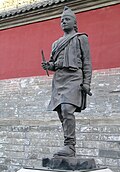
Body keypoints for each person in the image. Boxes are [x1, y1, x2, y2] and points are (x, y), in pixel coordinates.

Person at [42, 6, 92, 157]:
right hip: (59, 79)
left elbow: (87, 62)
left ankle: (70, 145)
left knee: (66, 109)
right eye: (62, 20)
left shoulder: (81, 38)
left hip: (74, 78)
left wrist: (87, 82)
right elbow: (53, 63)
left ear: (74, 22)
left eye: (67, 19)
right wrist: (48, 66)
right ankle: (68, 144)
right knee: (60, 111)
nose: (64, 22)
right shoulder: (56, 43)